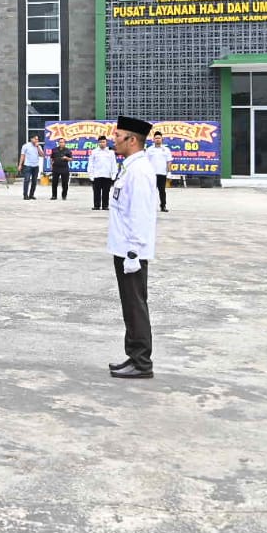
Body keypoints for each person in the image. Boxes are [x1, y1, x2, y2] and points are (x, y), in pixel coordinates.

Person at [107, 115, 159, 379]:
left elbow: (139, 215)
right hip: (123, 248)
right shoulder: (130, 167)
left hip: (131, 253)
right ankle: (134, 356)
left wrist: (133, 254)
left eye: (118, 136)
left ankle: (141, 362)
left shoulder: (139, 171)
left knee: (135, 305)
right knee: (130, 305)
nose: (113, 139)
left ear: (132, 140)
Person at [87, 135, 117, 211]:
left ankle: (105, 205)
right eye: (100, 142)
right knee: (96, 192)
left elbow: (113, 163)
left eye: (103, 142)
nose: (102, 143)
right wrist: (91, 175)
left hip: (107, 175)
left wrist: (114, 174)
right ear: (98, 143)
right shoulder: (94, 152)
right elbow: (91, 164)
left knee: (106, 192)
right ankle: (96, 205)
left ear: (106, 142)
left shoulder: (111, 152)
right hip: (97, 175)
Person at [145, 131, 173, 213]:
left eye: (159, 138)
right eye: (156, 138)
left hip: (162, 173)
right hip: (151, 174)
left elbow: (169, 162)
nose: (157, 139)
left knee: (162, 191)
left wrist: (169, 172)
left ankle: (163, 206)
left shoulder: (166, 150)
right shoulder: (149, 150)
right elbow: (145, 162)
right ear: (153, 139)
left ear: (162, 139)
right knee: (150, 192)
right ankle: (149, 207)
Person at [18, 135, 43, 200]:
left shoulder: (39, 146)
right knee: (27, 180)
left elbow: (42, 155)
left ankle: (31, 195)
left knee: (34, 181)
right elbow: (22, 156)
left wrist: (38, 147)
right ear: (31, 139)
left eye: (37, 139)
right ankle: (25, 195)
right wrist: (20, 165)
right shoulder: (25, 146)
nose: (37, 140)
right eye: (35, 139)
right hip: (28, 166)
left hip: (36, 166)